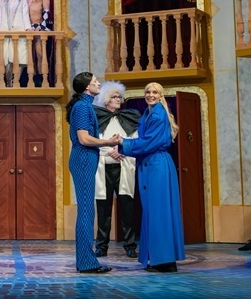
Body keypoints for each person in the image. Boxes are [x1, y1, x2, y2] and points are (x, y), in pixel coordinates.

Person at [115, 82, 185, 273]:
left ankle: (164, 261)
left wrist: (124, 142)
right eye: (148, 92)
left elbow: (149, 142)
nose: (150, 95)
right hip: (151, 164)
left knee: (159, 212)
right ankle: (161, 259)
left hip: (157, 165)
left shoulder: (158, 114)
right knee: (154, 212)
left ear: (161, 95)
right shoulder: (148, 113)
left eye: (155, 92)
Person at [66, 72, 121, 274]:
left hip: (86, 158)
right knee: (87, 211)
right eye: (95, 81)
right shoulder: (82, 106)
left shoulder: (85, 105)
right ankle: (87, 263)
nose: (99, 83)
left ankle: (85, 260)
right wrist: (108, 142)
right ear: (86, 87)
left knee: (88, 210)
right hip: (83, 158)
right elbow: (84, 139)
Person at [92, 81, 140, 258]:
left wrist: (121, 150)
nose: (118, 99)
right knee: (103, 208)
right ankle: (101, 245)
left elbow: (135, 140)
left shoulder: (128, 119)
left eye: (119, 96)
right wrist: (110, 151)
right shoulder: (97, 119)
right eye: (114, 97)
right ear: (106, 100)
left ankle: (130, 245)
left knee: (127, 208)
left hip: (124, 167)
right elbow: (93, 141)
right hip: (104, 167)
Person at [0, 0, 31, 87]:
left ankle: (16, 81)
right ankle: (9, 82)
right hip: (5, 32)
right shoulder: (2, 1)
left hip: (20, 32)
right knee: (6, 58)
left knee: (20, 57)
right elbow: (0, 16)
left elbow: (25, 14)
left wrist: (28, 28)